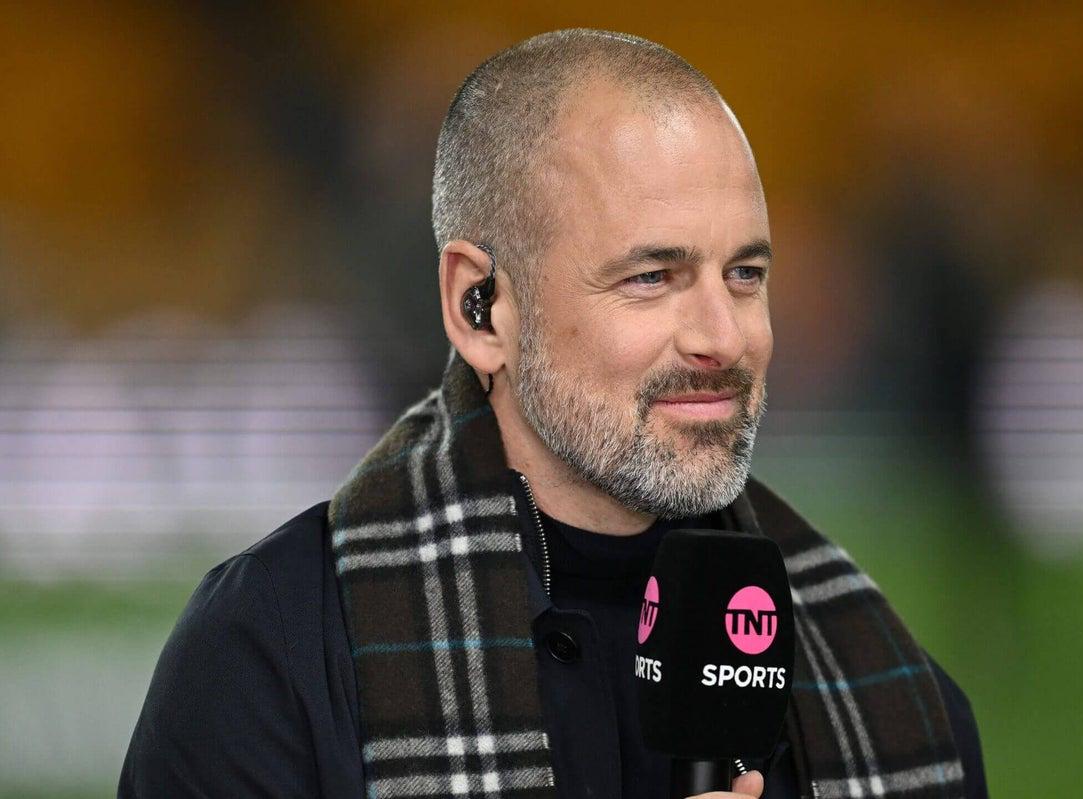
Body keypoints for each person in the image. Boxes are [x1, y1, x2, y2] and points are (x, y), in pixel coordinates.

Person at [120, 29, 987, 799]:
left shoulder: (896, 694)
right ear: (481, 309)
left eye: (745, 275)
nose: (723, 337)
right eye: (652, 277)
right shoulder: (271, 661)